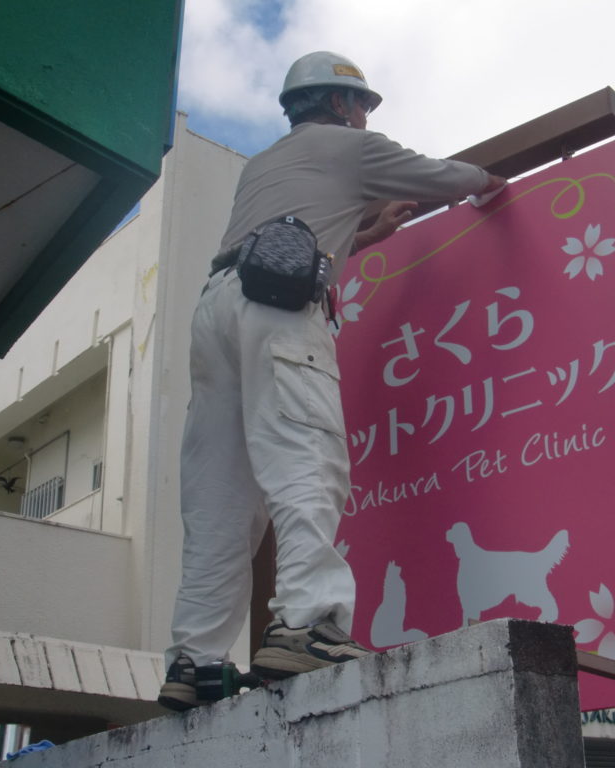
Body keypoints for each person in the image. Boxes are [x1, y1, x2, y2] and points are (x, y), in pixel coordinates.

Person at [158, 51, 506, 711]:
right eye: (365, 105)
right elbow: (440, 176)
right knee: (306, 459)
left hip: (218, 311)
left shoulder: (265, 165)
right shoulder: (353, 147)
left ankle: (194, 663)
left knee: (220, 500)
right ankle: (306, 625)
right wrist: (490, 181)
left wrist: (366, 234)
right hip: (279, 309)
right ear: (343, 103)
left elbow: (297, 242)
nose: (367, 116)